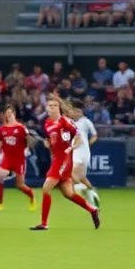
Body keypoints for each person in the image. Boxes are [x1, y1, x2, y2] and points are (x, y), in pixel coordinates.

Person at [31, 96, 100, 232]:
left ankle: (44, 223)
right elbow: (52, 140)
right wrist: (48, 144)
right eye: (50, 106)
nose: (52, 108)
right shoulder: (47, 123)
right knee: (68, 193)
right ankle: (92, 210)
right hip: (57, 159)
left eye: (54, 106)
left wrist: (71, 148)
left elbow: (78, 138)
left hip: (65, 160)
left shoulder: (65, 122)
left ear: (59, 108)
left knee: (47, 187)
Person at [0, 105, 36, 212]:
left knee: (19, 185)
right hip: (7, 158)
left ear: (14, 114)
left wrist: (27, 148)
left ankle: (31, 196)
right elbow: (0, 142)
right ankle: (0, 204)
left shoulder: (21, 128)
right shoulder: (2, 129)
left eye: (10, 113)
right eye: (7, 114)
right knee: (0, 177)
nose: (9, 116)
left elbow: (29, 139)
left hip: (19, 159)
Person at [71, 106, 100, 209]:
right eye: (74, 110)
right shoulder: (69, 122)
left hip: (83, 151)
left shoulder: (86, 122)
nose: (76, 112)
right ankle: (92, 193)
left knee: (71, 172)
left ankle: (84, 191)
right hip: (74, 150)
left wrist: (89, 143)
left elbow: (95, 135)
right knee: (82, 177)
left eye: (78, 111)